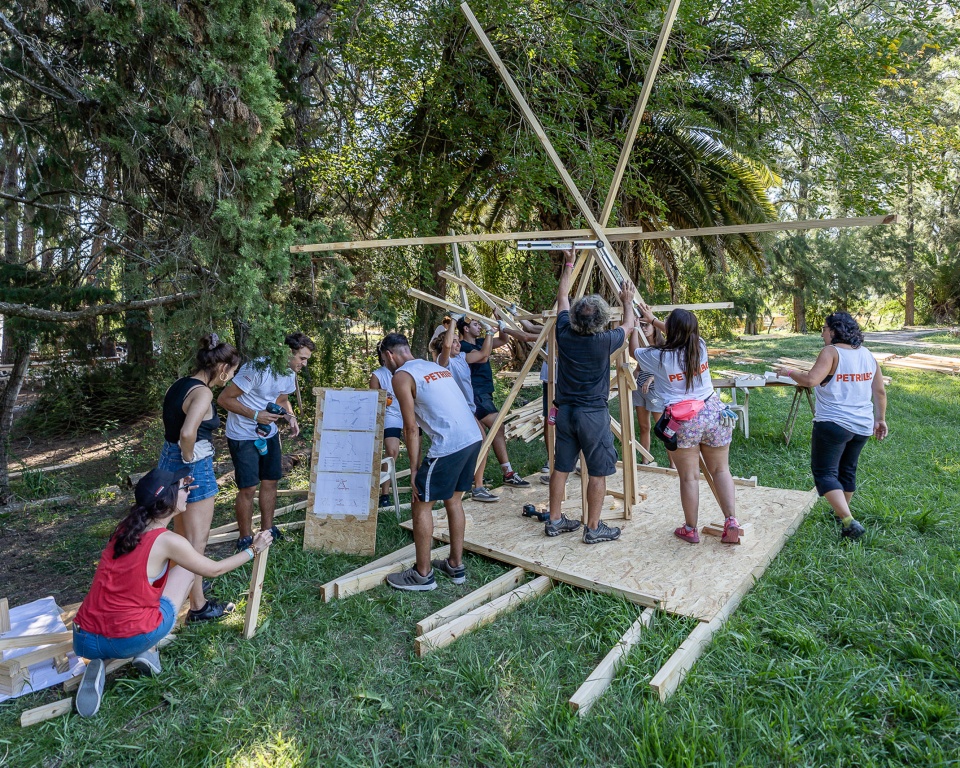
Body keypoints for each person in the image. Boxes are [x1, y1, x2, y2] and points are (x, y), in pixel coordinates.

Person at [72, 468, 273, 717]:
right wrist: (254, 549)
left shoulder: (126, 529)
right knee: (190, 570)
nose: (187, 491)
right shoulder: (168, 541)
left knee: (139, 591)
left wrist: (175, 487)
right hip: (128, 639)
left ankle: (100, 662)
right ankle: (148, 648)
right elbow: (215, 569)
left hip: (84, 640)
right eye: (182, 488)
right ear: (167, 500)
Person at [377, 333, 482, 591]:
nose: (385, 365)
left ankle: (422, 575)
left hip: (450, 444)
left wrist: (414, 471)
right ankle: (455, 565)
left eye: (383, 359)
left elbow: (411, 429)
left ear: (389, 355)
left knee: (420, 503)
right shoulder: (433, 366)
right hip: (472, 437)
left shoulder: (401, 377)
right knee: (454, 500)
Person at [545, 252, 636, 544]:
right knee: (598, 470)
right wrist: (627, 302)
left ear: (573, 317)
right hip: (592, 415)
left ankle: (555, 519)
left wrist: (569, 265)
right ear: (601, 321)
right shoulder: (604, 341)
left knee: (561, 466)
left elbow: (561, 298)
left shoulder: (564, 334)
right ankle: (594, 527)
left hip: (566, 413)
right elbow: (630, 326)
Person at [634, 302, 740, 544]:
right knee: (721, 470)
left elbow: (634, 352)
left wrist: (634, 325)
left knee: (689, 477)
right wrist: (654, 320)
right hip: (714, 413)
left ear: (671, 329)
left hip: (683, 421)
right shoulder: (699, 347)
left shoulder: (659, 357)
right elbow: (681, 333)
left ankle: (690, 529)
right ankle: (731, 521)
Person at [775, 311, 887, 540]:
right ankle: (842, 515)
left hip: (834, 423)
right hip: (862, 425)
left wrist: (787, 371)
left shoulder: (831, 352)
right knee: (847, 469)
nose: (822, 334)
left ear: (835, 331)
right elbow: (880, 391)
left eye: (824, 329)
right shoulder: (867, 355)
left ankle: (848, 521)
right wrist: (880, 419)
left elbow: (810, 380)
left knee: (824, 473)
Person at [157, 333, 240, 622]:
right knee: (196, 542)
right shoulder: (203, 392)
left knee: (181, 538)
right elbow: (187, 433)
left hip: (167, 462)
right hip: (192, 466)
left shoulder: (178, 384)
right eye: (231, 372)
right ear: (221, 367)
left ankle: (184, 598)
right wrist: (190, 456)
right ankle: (198, 607)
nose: (229, 379)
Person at [218, 332, 314, 552]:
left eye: (306, 359)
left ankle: (268, 531)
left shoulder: (289, 372)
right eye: (302, 358)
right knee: (248, 487)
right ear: (288, 353)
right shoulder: (258, 368)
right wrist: (255, 415)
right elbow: (224, 399)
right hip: (242, 434)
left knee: (270, 481)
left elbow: (282, 399)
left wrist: (290, 416)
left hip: (268, 434)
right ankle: (244, 537)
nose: (304, 363)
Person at [457, 316, 531, 500]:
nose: (479, 327)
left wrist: (501, 321)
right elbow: (483, 356)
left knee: (493, 432)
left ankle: (502, 473)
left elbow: (504, 339)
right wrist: (490, 331)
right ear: (465, 329)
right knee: (494, 429)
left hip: (485, 393)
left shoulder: (482, 341)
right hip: (476, 395)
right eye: (475, 324)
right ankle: (500, 474)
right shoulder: (463, 348)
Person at [628, 320, 668, 465]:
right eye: (641, 325)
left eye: (646, 325)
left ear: (655, 327)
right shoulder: (643, 347)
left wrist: (651, 379)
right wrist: (634, 374)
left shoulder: (663, 347)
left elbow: (665, 370)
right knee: (644, 427)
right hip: (640, 390)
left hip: (655, 391)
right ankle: (645, 461)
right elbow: (639, 368)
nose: (643, 328)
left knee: (662, 428)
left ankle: (673, 465)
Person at [369, 343, 404, 508]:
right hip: (391, 415)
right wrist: (383, 398)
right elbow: (373, 401)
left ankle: (418, 488)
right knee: (392, 451)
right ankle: (385, 494)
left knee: (417, 453)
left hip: (410, 412)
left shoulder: (405, 370)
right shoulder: (377, 375)